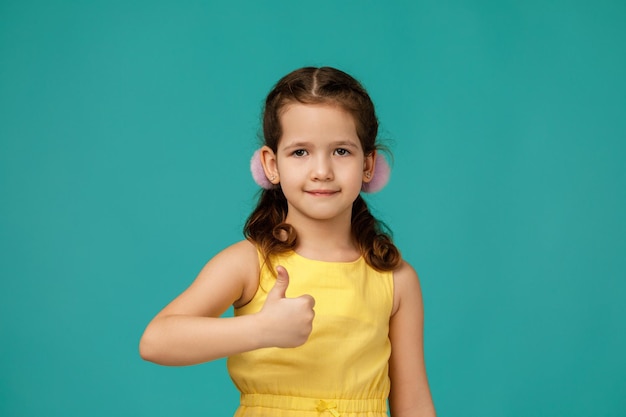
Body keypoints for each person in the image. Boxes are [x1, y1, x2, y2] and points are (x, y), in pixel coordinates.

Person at [139, 66, 436, 417]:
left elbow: (413, 402)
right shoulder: (248, 264)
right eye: (300, 152)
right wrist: (260, 329)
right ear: (271, 164)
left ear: (368, 164)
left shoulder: (396, 279)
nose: (322, 170)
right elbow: (156, 341)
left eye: (341, 151)